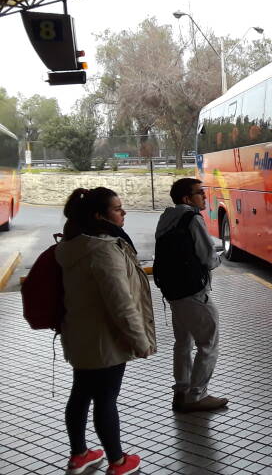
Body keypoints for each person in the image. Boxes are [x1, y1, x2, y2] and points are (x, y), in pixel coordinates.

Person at [56, 187, 155, 475]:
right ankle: (118, 461)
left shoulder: (73, 244)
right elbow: (120, 303)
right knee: (105, 398)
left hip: (80, 335)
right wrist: (140, 341)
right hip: (105, 341)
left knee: (80, 394)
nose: (123, 212)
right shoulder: (103, 249)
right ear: (99, 216)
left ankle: (80, 454)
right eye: (117, 208)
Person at [155, 178, 227, 412]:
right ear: (187, 198)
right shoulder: (193, 218)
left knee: (183, 342)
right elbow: (208, 257)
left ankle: (182, 392)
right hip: (194, 292)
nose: (205, 197)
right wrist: (218, 259)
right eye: (200, 193)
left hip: (174, 291)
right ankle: (198, 395)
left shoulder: (166, 217)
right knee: (208, 342)